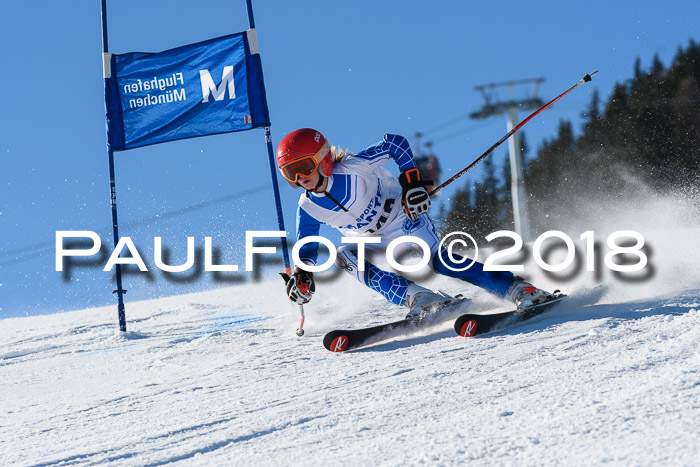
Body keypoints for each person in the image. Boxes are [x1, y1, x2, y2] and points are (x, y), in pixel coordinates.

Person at [277, 128, 554, 317]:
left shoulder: (354, 166)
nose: (299, 178)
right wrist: (302, 276)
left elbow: (394, 143)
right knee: (344, 256)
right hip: (370, 239)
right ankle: (420, 298)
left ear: (323, 159)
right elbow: (307, 246)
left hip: (401, 216)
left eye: (304, 167)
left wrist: (411, 184)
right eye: (290, 173)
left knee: (438, 261)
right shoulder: (309, 206)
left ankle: (520, 289)